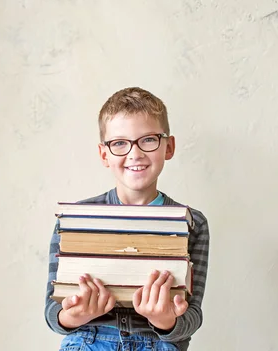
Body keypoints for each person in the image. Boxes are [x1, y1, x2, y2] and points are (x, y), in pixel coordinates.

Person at [44, 87, 210, 351]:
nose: (135, 153)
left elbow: (192, 316)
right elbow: (53, 312)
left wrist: (165, 320)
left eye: (148, 139)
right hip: (89, 341)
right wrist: (76, 314)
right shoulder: (75, 220)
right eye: (119, 143)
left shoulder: (193, 223)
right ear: (104, 154)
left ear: (169, 146)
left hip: (158, 345)